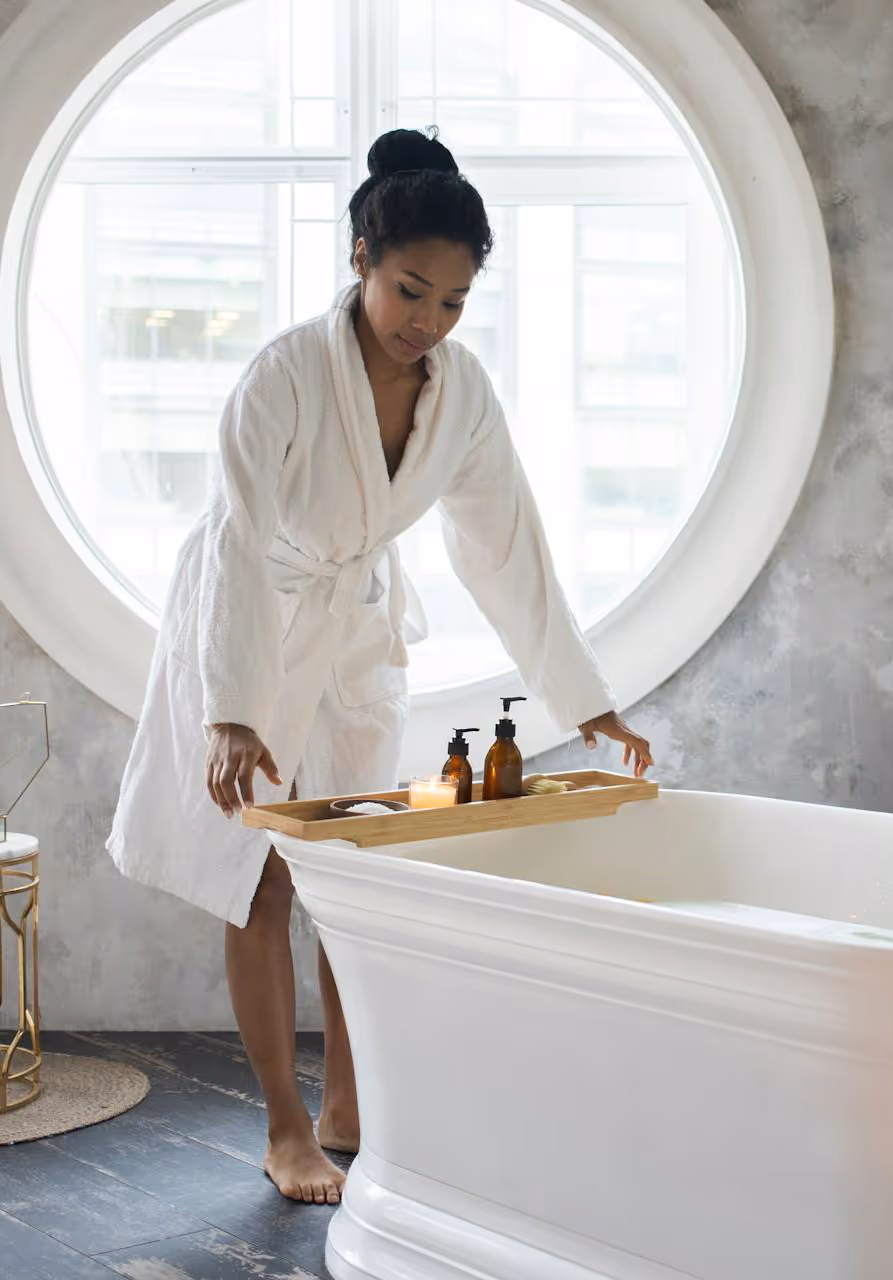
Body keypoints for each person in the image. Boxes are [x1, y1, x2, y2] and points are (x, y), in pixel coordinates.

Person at [107, 127, 652, 1205]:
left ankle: (352, 1105)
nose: (427, 322)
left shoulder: (462, 392)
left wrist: (585, 700)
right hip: (251, 619)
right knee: (260, 879)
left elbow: (507, 547)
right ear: (361, 256)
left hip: (353, 626)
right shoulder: (282, 376)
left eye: (453, 302)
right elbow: (235, 539)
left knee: (352, 870)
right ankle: (285, 1126)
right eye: (410, 291)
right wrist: (230, 707)